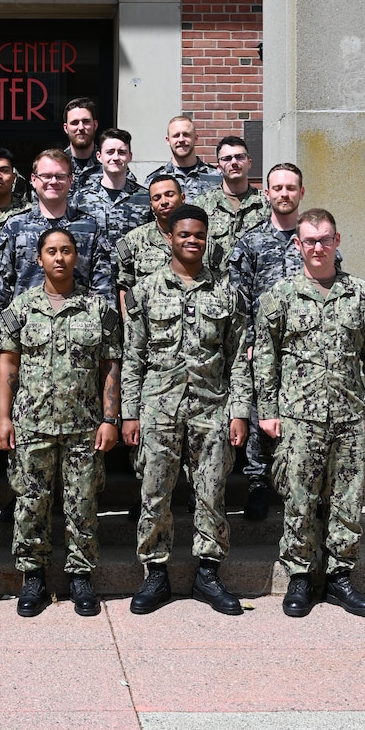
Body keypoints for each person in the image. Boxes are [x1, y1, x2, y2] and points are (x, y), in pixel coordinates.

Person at [253, 208, 365, 619]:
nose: (317, 247)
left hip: (351, 416)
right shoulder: (279, 296)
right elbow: (265, 357)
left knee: (347, 501)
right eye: (309, 240)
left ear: (337, 241)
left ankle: (339, 578)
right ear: (297, 245)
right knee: (299, 498)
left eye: (325, 239)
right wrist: (268, 410)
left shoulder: (362, 294)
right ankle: (299, 576)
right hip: (298, 418)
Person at [121, 205, 251, 616]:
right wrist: (129, 412)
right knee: (155, 493)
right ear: (171, 238)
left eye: (199, 235)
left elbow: (239, 359)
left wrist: (240, 411)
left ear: (206, 238)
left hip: (212, 408)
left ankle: (208, 574)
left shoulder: (227, 293)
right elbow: (133, 355)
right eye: (184, 235)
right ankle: (155, 574)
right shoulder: (145, 290)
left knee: (211, 493)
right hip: (158, 408)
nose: (192, 241)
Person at [0, 229, 121, 617]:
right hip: (32, 424)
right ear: (39, 259)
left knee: (82, 503)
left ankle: (80, 576)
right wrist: (2, 417)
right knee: (31, 503)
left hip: (84, 426)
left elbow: (110, 365)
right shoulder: (20, 309)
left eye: (66, 250)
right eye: (52, 251)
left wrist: (110, 418)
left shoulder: (99, 309)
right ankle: (33, 576)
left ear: (77, 257)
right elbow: (8, 364)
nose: (60, 258)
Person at [229, 162, 306, 521]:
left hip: (306, 348)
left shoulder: (314, 241)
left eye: (291, 188)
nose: (284, 194)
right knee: (262, 415)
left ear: (301, 193)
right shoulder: (251, 242)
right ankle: (258, 485)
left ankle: (299, 487)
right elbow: (238, 300)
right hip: (261, 347)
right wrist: (245, 342)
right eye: (277, 188)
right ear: (267, 194)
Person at [0, 148, 114, 339]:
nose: (53, 182)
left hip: (80, 336)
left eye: (60, 176)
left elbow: (103, 287)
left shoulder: (89, 227)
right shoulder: (15, 226)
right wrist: (0, 335)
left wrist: (105, 336)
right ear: (33, 179)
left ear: (71, 180)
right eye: (46, 175)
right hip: (26, 335)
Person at [72, 128, 151, 279]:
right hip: (92, 282)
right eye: (110, 152)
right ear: (99, 156)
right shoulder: (81, 198)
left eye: (121, 152)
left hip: (133, 281)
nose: (116, 157)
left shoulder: (145, 198)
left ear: (130, 156)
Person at [195, 135, 270, 272]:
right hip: (213, 287)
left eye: (240, 157)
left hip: (255, 287)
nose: (234, 162)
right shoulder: (202, 205)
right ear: (218, 167)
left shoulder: (266, 204)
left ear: (249, 162)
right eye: (227, 159)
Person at [116, 174, 185, 316]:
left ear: (182, 198)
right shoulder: (133, 241)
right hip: (149, 330)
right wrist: (129, 325)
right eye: (157, 198)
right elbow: (124, 286)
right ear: (151, 205)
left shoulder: (199, 240)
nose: (164, 201)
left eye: (169, 195)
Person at [145, 115, 220, 200]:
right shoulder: (154, 180)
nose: (181, 139)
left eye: (186, 134)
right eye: (176, 135)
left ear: (195, 138)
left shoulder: (216, 176)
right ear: (168, 140)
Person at [63, 97, 102, 201]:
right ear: (66, 128)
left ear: (95, 125)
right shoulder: (56, 166)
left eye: (85, 121)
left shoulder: (110, 164)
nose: (80, 128)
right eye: (74, 122)